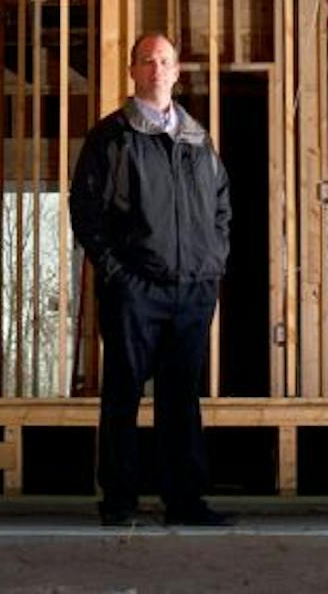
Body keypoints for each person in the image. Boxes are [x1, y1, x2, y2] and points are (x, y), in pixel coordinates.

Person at [70, 33, 234, 527]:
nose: (156, 69)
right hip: (135, 290)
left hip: (193, 290)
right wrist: (118, 275)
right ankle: (119, 501)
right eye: (147, 61)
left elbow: (221, 207)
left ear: (177, 70)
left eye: (164, 61)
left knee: (180, 397)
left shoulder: (198, 139)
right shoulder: (111, 138)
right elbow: (86, 213)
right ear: (132, 70)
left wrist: (214, 264)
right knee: (123, 394)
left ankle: (184, 501)